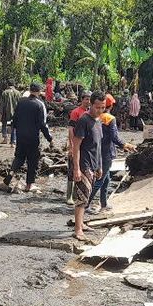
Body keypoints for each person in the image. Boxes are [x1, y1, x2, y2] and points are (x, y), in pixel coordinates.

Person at [86, 95, 135, 213]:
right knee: (100, 180)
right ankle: (85, 204)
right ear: (111, 105)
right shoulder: (110, 118)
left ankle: (104, 203)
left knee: (106, 178)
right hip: (106, 152)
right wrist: (125, 145)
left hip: (96, 151)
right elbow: (114, 137)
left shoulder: (94, 117)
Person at [70, 92, 107, 240]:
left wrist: (100, 166)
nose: (100, 110)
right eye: (97, 107)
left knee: (87, 195)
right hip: (84, 164)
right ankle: (78, 229)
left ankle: (82, 224)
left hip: (93, 164)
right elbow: (76, 146)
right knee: (81, 197)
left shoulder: (98, 121)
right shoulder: (84, 120)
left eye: (103, 107)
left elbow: (98, 146)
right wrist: (76, 168)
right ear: (90, 104)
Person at [9, 83, 53, 192]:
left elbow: (14, 119)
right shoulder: (40, 104)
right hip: (32, 137)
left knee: (19, 157)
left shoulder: (21, 102)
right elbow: (43, 124)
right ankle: (29, 185)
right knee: (32, 160)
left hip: (20, 135)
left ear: (30, 90)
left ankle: (10, 175)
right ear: (39, 91)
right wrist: (50, 138)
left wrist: (13, 136)